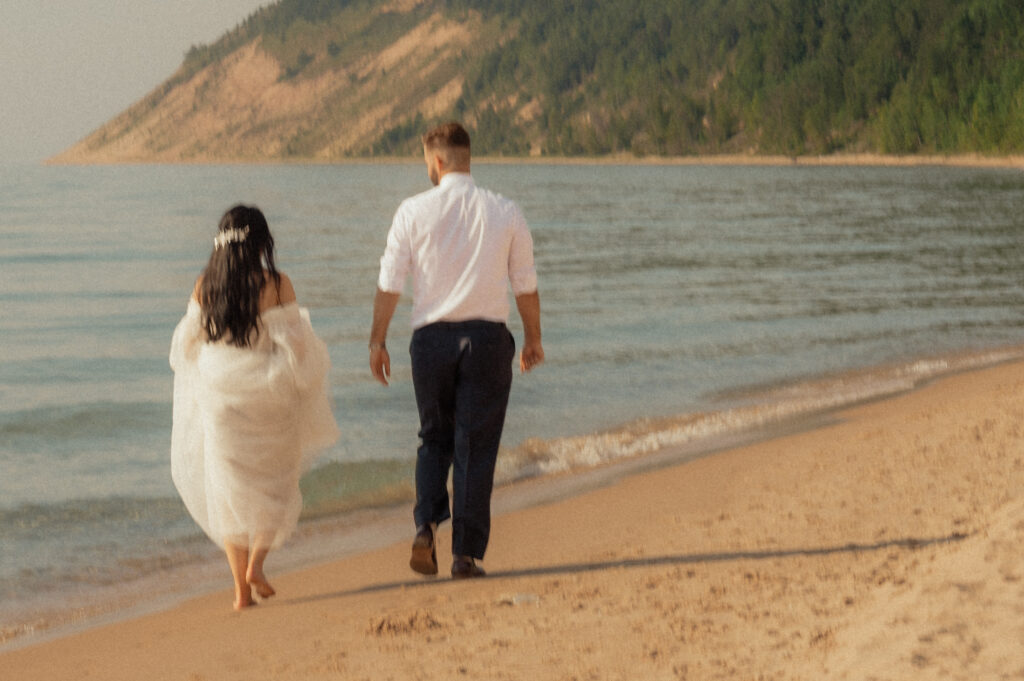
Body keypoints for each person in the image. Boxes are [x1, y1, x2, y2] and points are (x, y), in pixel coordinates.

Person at [370, 121, 544, 579]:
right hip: (487, 341)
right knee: (475, 447)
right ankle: (464, 556)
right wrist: (533, 339)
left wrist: (377, 339)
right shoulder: (505, 211)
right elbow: (525, 284)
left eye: (427, 160)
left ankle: (425, 526)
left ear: (438, 161)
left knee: (434, 438)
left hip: (430, 341)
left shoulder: (411, 211)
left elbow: (390, 282)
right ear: (468, 158)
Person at [170, 204, 339, 610]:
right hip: (268, 396)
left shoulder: (204, 285)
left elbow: (183, 347)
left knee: (228, 492)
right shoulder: (276, 283)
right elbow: (296, 346)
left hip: (220, 398)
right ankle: (257, 565)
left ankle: (241, 593)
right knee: (277, 483)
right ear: (262, 242)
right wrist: (306, 377)